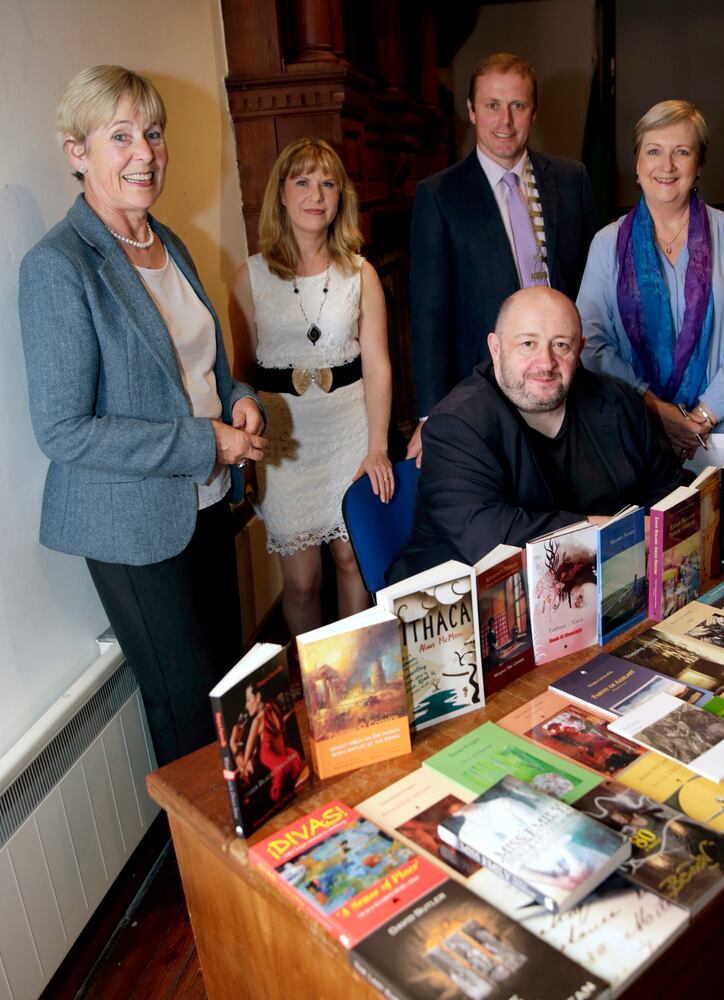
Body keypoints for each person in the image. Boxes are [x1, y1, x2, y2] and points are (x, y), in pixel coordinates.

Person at [18, 66, 267, 766]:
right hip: (132, 528)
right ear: (77, 152)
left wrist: (239, 395)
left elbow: (196, 370)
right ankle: (200, 872)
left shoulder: (170, 243)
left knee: (227, 691)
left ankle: (240, 859)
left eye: (152, 134)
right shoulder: (58, 266)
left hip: (208, 503)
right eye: (120, 136)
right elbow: (63, 430)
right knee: (187, 715)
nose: (145, 153)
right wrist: (205, 441)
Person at [390, 287, 682, 580]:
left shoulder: (619, 403)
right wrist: (610, 531)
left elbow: (667, 492)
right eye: (528, 343)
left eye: (561, 345)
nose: (545, 363)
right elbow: (494, 541)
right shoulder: (456, 426)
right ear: (496, 348)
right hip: (468, 600)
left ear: (579, 350)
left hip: (598, 588)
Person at [229, 138, 393, 638]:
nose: (315, 194)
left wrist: (378, 449)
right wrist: (249, 460)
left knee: (351, 561)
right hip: (284, 445)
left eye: (327, 183)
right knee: (301, 583)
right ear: (281, 193)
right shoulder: (249, 277)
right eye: (302, 181)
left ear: (340, 196)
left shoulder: (359, 274)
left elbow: (380, 367)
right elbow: (239, 377)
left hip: (349, 433)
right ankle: (316, 690)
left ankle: (358, 685)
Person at [406, 51, 598, 462]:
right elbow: (429, 314)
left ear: (534, 111)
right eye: (492, 105)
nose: (505, 121)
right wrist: (430, 415)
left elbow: (591, 288)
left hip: (565, 381)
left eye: (517, 105)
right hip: (482, 389)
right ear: (472, 111)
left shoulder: (572, 180)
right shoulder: (439, 195)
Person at [577, 100, 724, 461]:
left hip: (721, 432)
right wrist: (657, 411)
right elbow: (592, 343)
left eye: (682, 151)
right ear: (637, 164)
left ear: (698, 165)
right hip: (636, 429)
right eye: (654, 151)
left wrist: (704, 415)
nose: (666, 165)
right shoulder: (606, 244)